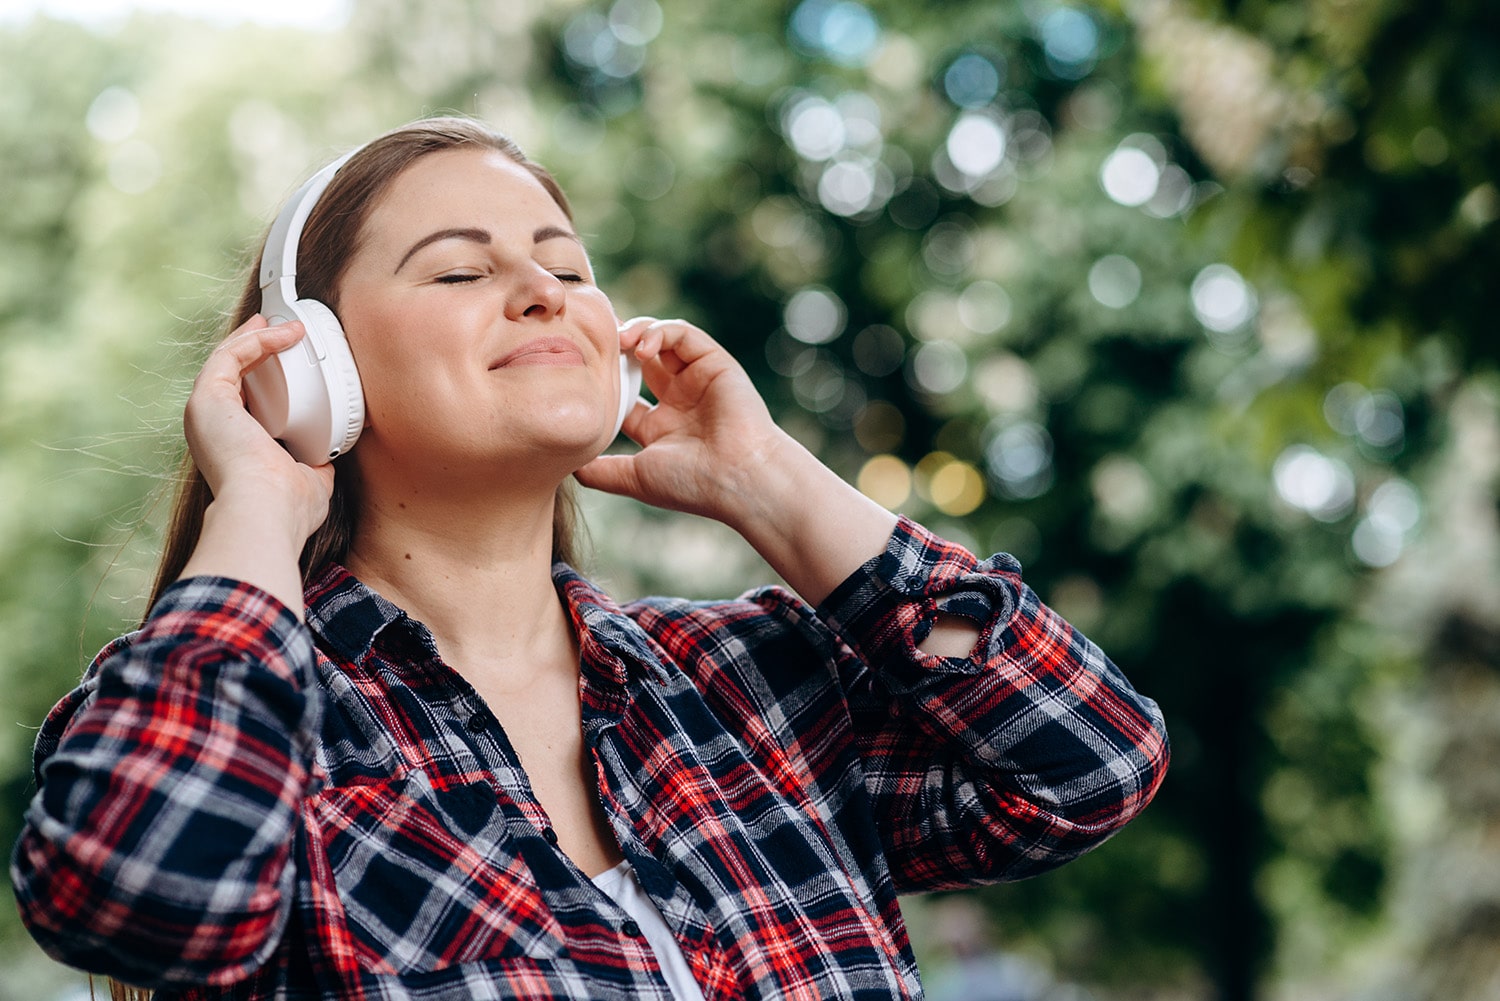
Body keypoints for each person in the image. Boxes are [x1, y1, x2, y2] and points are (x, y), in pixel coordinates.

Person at [10, 117, 1169, 1000]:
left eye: (564, 264)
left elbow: (1088, 766)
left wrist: (771, 482)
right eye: (460, 271)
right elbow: (144, 883)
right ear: (313, 369)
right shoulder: (258, 718)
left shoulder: (751, 683)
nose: (540, 293)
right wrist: (259, 503)